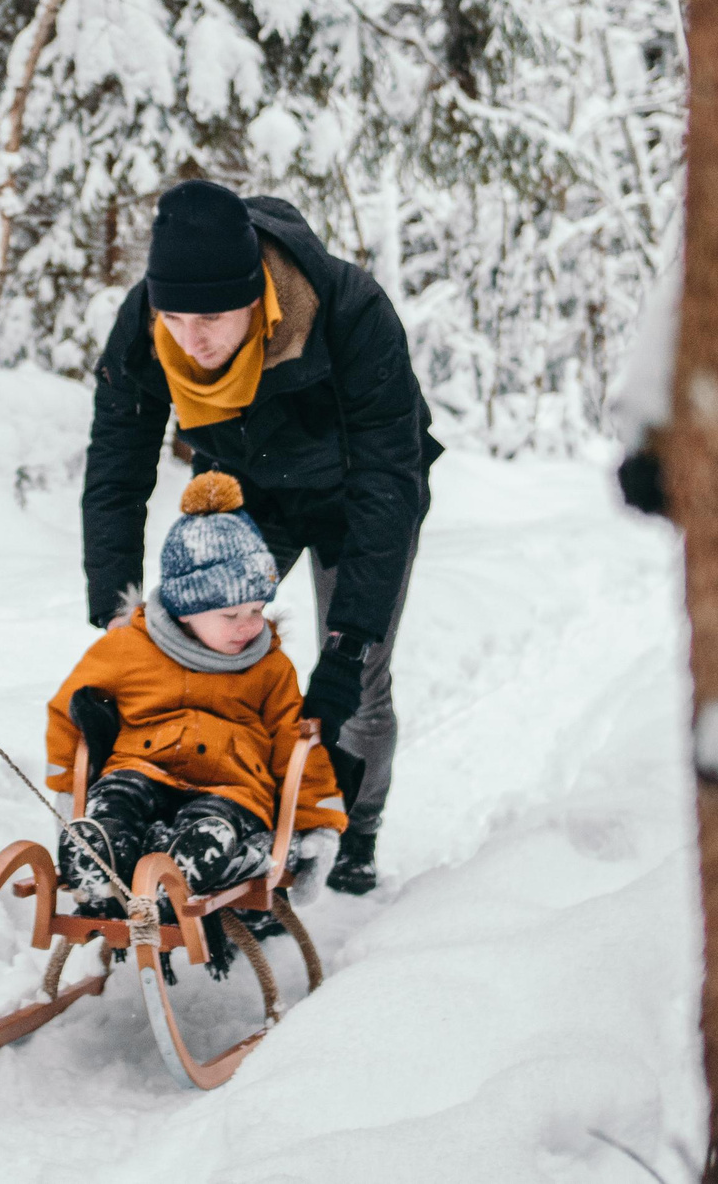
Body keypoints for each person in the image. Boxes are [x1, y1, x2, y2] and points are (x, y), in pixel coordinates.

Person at [82, 180, 441, 896]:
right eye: (175, 317)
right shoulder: (146, 322)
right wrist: (116, 610)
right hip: (244, 489)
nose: (192, 340)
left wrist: (347, 646)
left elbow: (388, 479)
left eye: (212, 318)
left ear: (256, 298)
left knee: (358, 681)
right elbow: (118, 463)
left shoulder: (349, 308)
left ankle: (355, 829)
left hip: (356, 495)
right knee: (193, 651)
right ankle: (202, 809)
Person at [45, 474, 346, 939]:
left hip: (232, 789)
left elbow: (297, 744)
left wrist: (319, 826)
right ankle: (100, 861)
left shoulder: (269, 667)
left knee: (211, 831)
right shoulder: (128, 649)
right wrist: (69, 788)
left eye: (256, 609)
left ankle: (191, 869)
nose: (248, 625)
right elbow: (69, 709)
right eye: (231, 615)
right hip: (139, 770)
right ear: (185, 609)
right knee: (114, 806)